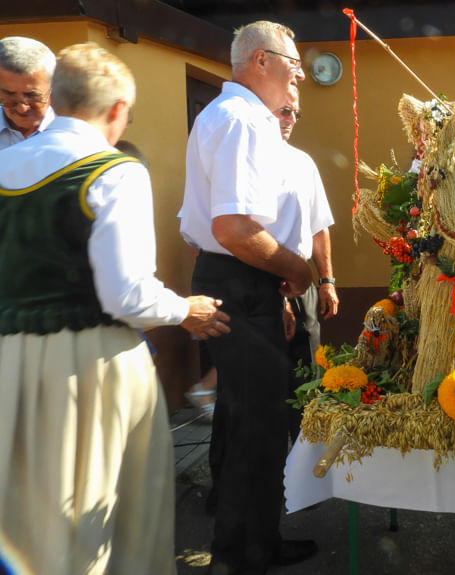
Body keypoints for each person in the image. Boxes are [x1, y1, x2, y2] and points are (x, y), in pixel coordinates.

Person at [0, 42, 230, 575]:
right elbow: (125, 294)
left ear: (56, 99)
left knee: (23, 518)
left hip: (9, 361)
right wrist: (185, 309)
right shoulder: (113, 171)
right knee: (98, 517)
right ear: (118, 111)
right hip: (89, 367)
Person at [178, 20, 315, 575]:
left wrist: (276, 285)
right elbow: (235, 230)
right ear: (262, 61)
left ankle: (254, 544)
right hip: (237, 278)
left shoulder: (232, 115)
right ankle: (242, 557)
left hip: (243, 281)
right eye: (295, 66)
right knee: (255, 434)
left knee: (249, 427)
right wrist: (298, 270)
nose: (298, 79)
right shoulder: (241, 120)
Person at [275, 97, 339, 442]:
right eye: (284, 111)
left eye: (296, 113)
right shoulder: (247, 160)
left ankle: (305, 464)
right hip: (262, 284)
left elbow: (319, 226)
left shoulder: (302, 162)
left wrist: (327, 280)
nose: (291, 120)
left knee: (308, 378)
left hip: (304, 289)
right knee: (270, 385)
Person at [0, 36, 56, 150]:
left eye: (32, 96)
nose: (22, 108)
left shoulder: (76, 136)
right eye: (9, 96)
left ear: (53, 88)